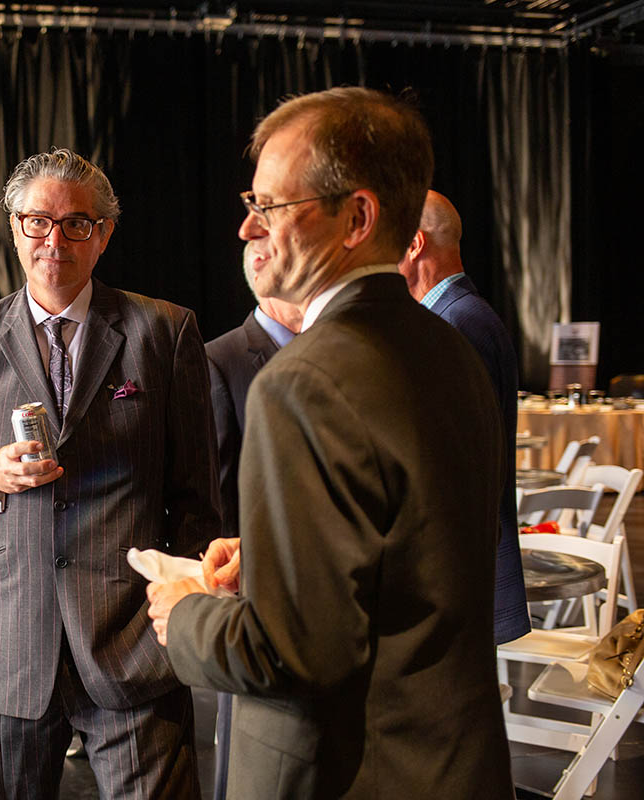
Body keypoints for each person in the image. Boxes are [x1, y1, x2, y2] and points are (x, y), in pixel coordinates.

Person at [146, 87, 514, 799]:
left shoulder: (303, 382)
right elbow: (415, 554)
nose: (248, 231)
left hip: (352, 771)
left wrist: (185, 613)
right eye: (249, 207)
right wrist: (281, 558)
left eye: (270, 207)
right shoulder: (453, 348)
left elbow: (292, 653)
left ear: (358, 218)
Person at [0, 148, 220, 799]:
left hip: (135, 646)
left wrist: (179, 613)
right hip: (6, 648)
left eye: (76, 223)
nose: (54, 240)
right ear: (15, 228)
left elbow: (197, 501)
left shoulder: (163, 333)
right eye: (37, 222)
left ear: (103, 233)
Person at [398, 189, 530, 645]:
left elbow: (455, 474)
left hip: (456, 577)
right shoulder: (462, 317)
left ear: (415, 243)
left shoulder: (456, 326)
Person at [203, 243, 302, 800]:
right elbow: (219, 488)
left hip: (317, 592)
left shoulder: (333, 352)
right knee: (245, 752)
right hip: (249, 587)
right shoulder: (222, 357)